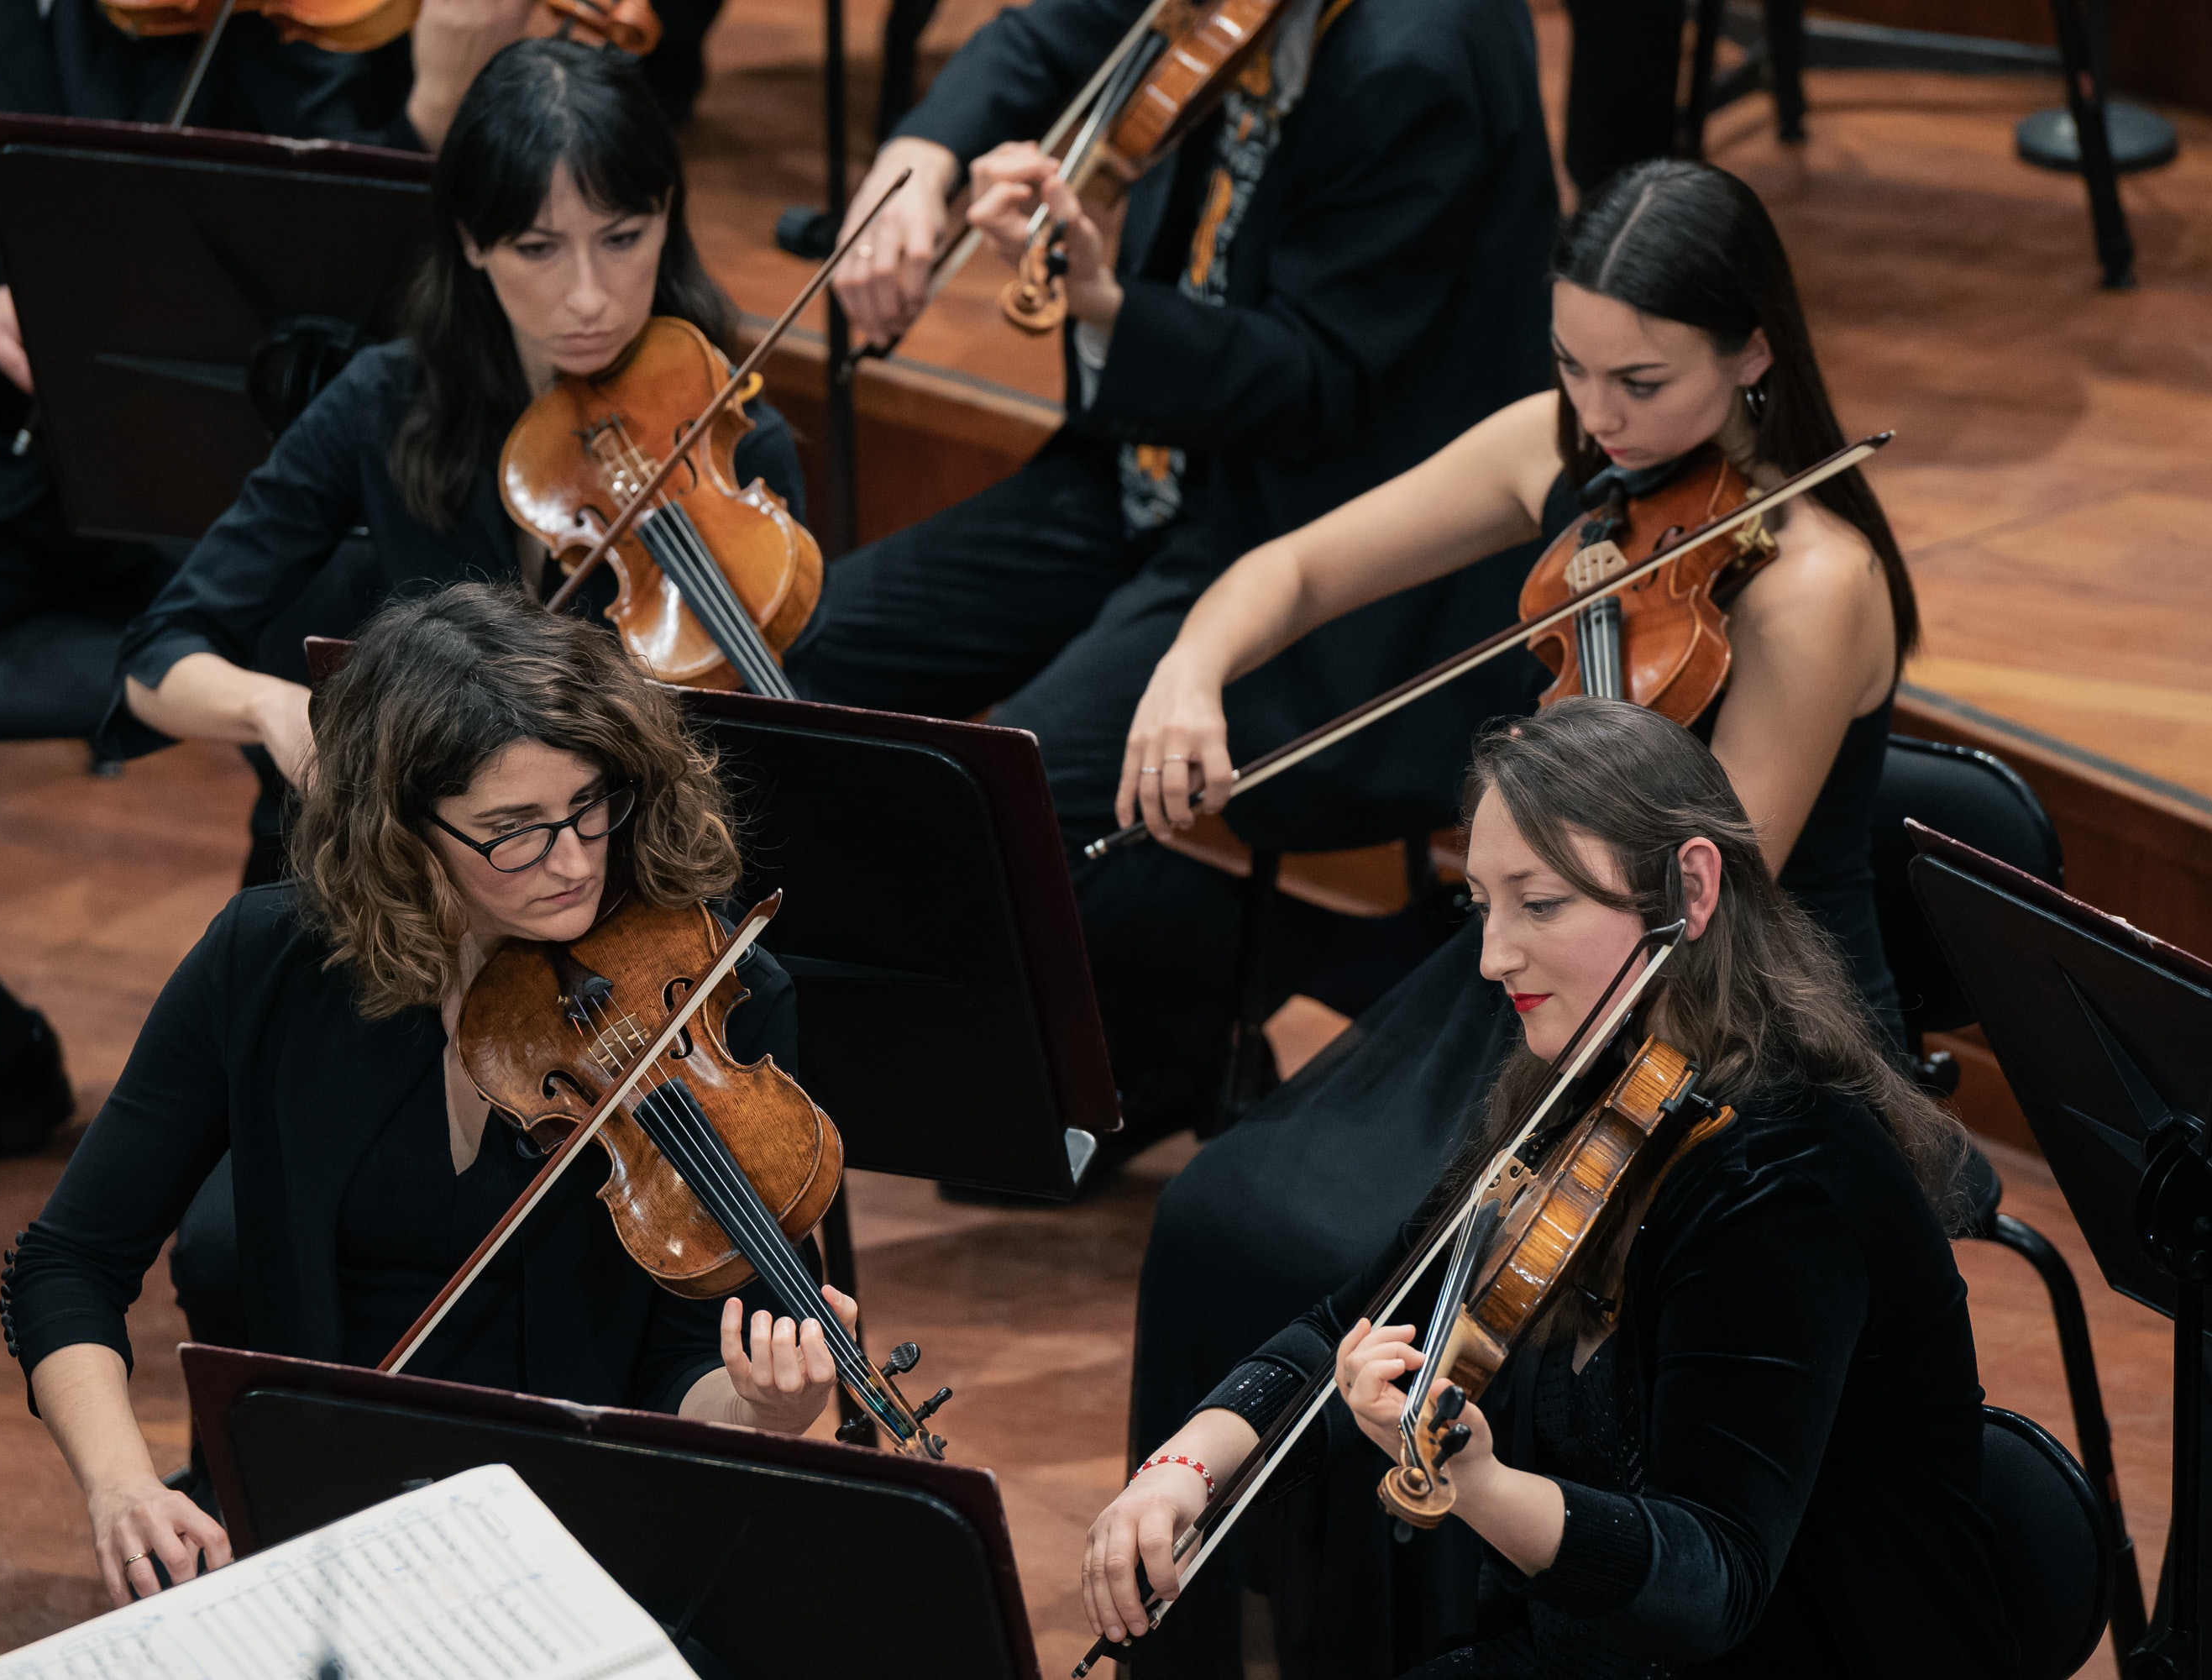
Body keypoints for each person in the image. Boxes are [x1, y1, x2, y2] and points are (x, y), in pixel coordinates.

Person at [1116, 158, 1925, 1673]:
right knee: (1222, 1214)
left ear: (1755, 352)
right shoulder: (1575, 462)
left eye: (1642, 378)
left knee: (1401, 1278)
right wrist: (1191, 668)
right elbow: (1292, 567)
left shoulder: (1814, 582)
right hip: (1552, 954)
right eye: (1569, 366)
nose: (1600, 418)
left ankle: (1427, 1612)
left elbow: (1707, 889)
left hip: (1725, 1006)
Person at [0, 0, 533, 1213]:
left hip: (208, 495)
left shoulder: (275, 17)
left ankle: (277, 1111)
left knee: (340, 706)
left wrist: (443, 88)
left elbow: (379, 294)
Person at [1086, 698, 2010, 1678]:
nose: (1493, 958)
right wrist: (1185, 1466)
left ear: (1689, 889)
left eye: (1541, 903)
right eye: (1483, 904)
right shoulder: (1582, 1087)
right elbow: (1360, 1317)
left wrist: (1478, 1482)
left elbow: (1714, 1582)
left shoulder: (1787, 1177)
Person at [780, 0, 1561, 1141]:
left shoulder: (1419, 58)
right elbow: (1043, 34)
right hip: (1141, 466)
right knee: (797, 656)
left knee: (1005, 792)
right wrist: (919, 159)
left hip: (1303, 538)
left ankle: (1112, 1034)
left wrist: (1102, 302)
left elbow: (1318, 381)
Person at [3, 583, 851, 1604]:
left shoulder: (718, 998)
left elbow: (685, 1380)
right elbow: (68, 1262)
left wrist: (766, 1407)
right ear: (402, 828)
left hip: (581, 1533)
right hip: (326, 1513)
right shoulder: (271, 961)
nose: (575, 860)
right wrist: (122, 1486)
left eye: (591, 804)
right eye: (514, 830)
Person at [109, 36, 805, 886]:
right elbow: (158, 654)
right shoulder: (386, 401)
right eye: (538, 248)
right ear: (473, 241)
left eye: (623, 238)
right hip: (425, 883)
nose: (588, 295)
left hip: (624, 883)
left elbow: (762, 765)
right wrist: (272, 706)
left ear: (668, 213)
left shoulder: (731, 445)